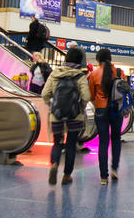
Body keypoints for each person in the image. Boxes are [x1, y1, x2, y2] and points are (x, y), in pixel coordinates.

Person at [41, 47, 91, 185]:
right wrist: (81, 106)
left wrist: (52, 106)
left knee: (57, 143)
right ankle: (67, 175)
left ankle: (54, 164)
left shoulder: (54, 74)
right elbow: (86, 96)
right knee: (71, 145)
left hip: (56, 115)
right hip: (75, 116)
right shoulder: (80, 76)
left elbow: (45, 94)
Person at [88, 48, 122, 185]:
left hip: (101, 110)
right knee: (116, 139)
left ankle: (103, 177)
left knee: (103, 142)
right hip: (116, 110)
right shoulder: (119, 72)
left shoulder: (94, 74)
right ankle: (114, 168)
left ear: (98, 59)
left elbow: (91, 95)